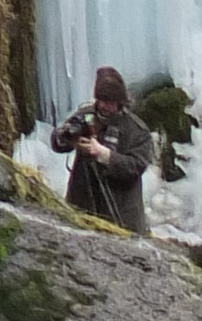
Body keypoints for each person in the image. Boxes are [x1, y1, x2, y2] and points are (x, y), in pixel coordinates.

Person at [52, 66, 156, 234]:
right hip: (82, 205)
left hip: (121, 214)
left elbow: (135, 166)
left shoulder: (137, 131)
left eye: (109, 102)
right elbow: (57, 144)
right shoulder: (85, 116)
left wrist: (103, 154)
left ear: (120, 102)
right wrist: (66, 138)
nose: (103, 106)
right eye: (100, 100)